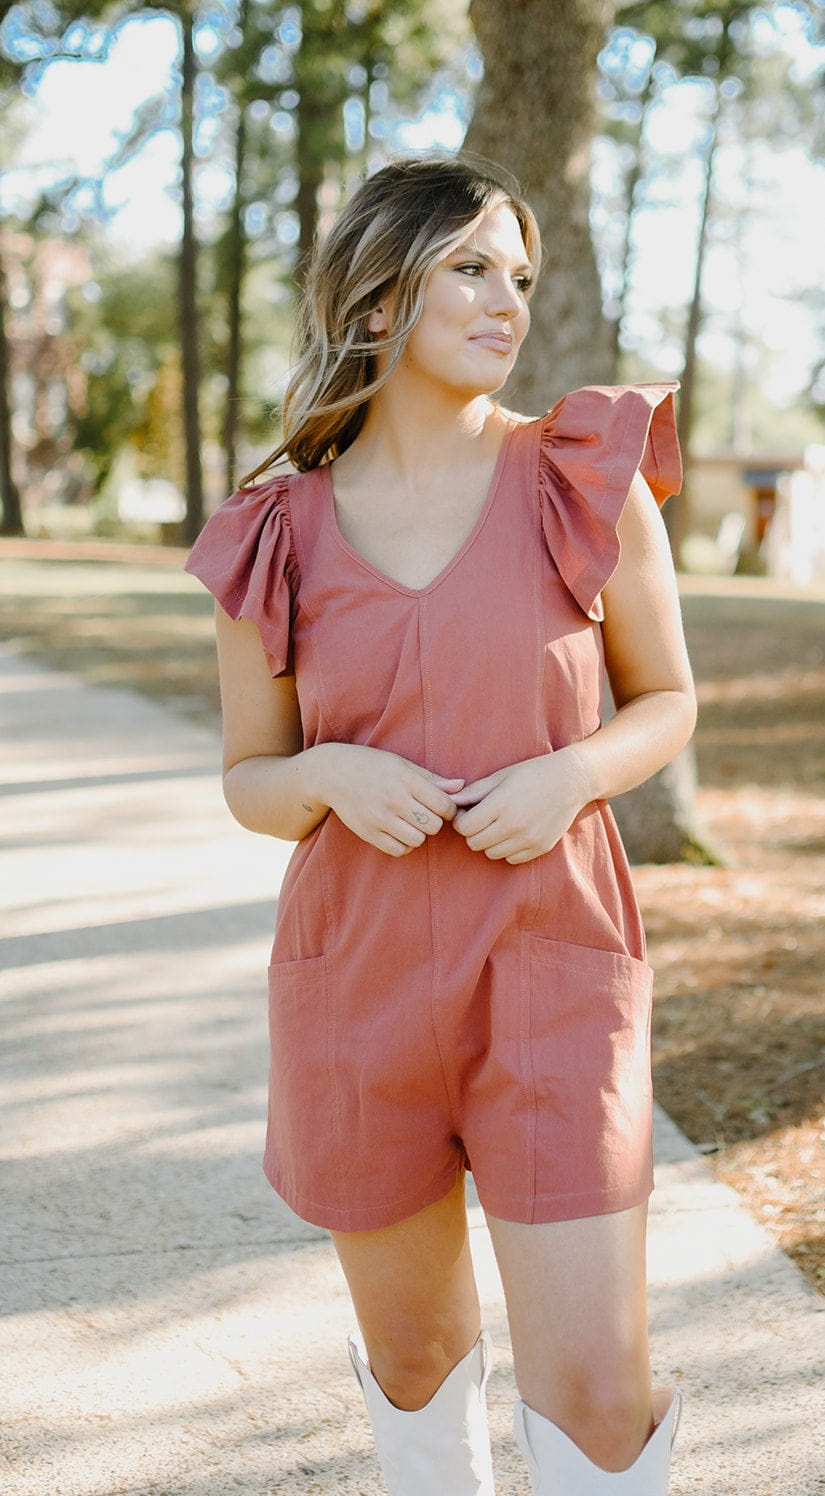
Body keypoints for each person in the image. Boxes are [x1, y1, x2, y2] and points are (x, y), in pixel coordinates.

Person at [185, 152, 697, 1496]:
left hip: (554, 968)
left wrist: (571, 774)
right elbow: (252, 778)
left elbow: (669, 702)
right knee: (415, 1362)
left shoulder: (583, 477)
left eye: (517, 275)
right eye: (470, 266)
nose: (507, 301)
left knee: (596, 1388)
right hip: (357, 982)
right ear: (372, 304)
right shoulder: (271, 530)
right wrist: (333, 775)